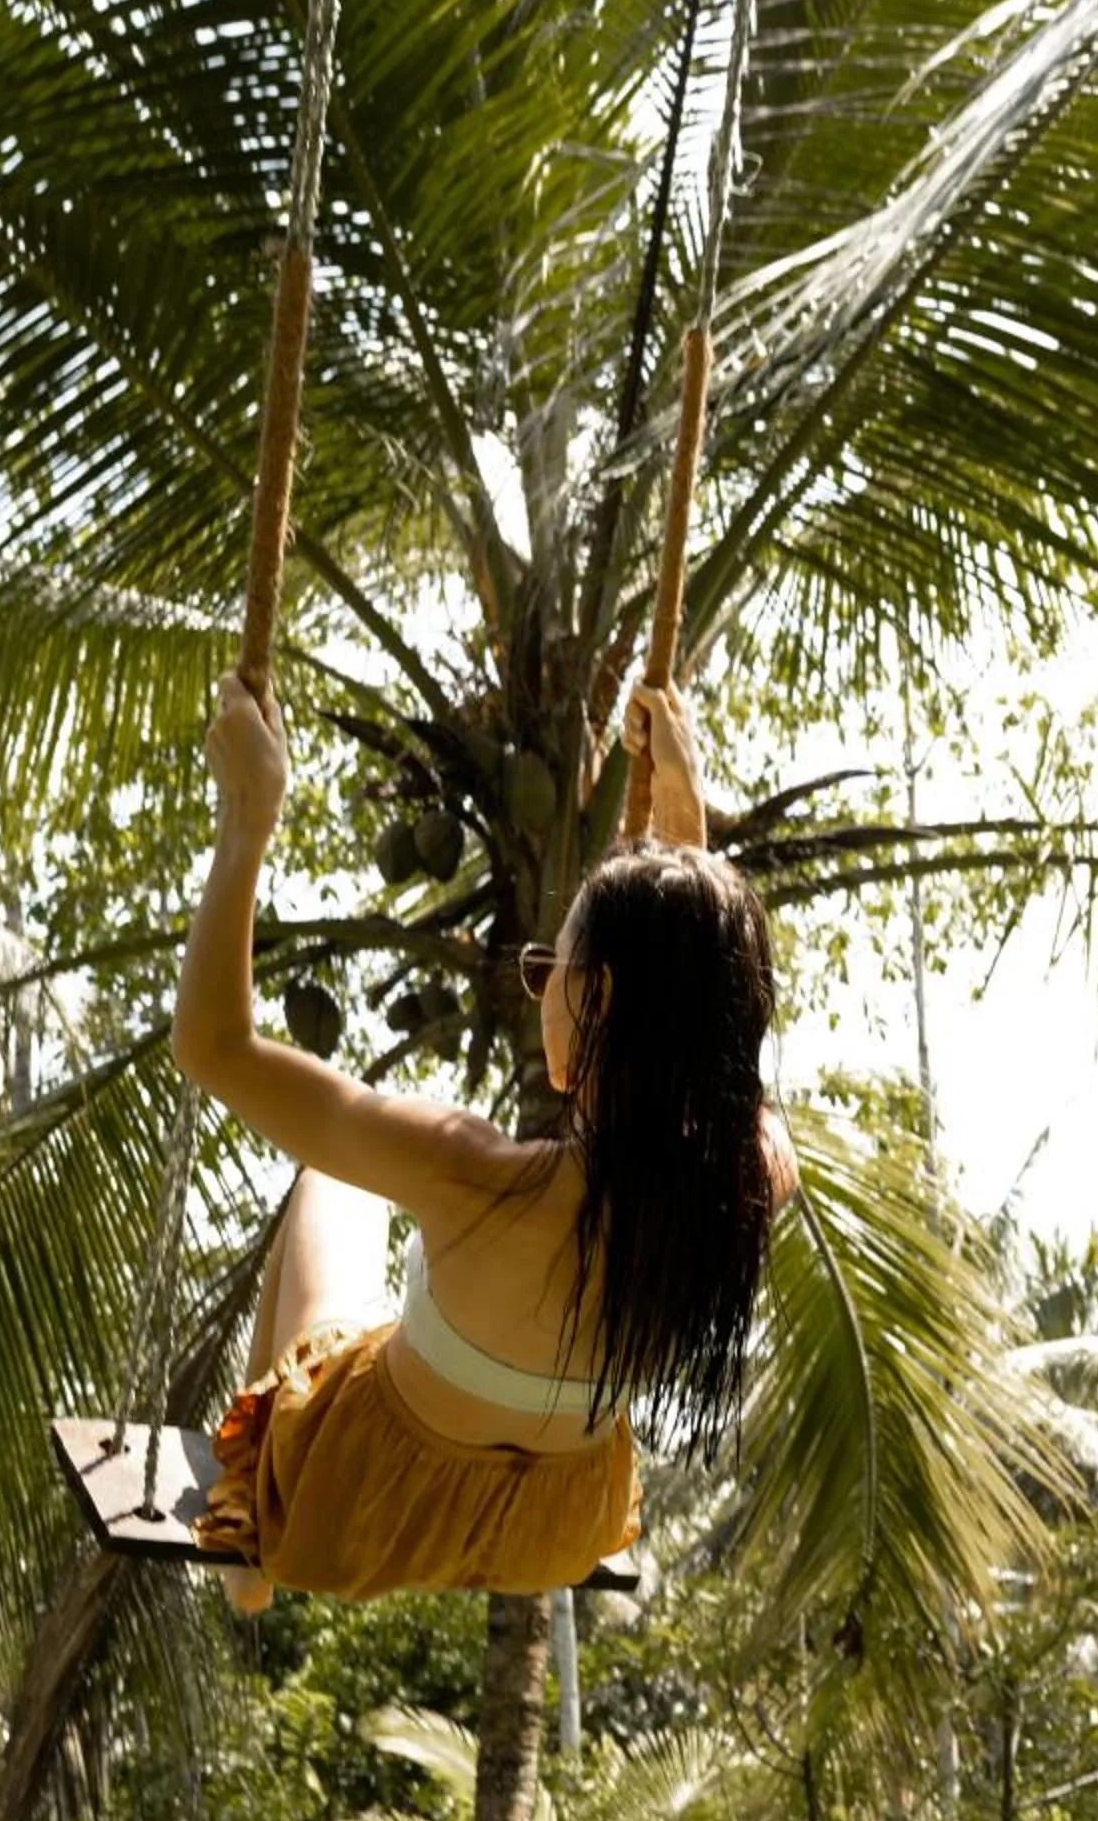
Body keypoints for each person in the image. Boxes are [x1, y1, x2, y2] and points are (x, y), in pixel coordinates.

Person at [172, 674, 794, 1608]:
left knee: (332, 1182)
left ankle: (249, 1540)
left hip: (354, 1509)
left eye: (551, 969)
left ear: (598, 999)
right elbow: (697, 1020)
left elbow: (213, 1047)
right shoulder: (749, 1178)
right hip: (558, 1530)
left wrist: (247, 821)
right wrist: (682, 799)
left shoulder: (472, 1174)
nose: (541, 989)